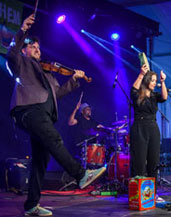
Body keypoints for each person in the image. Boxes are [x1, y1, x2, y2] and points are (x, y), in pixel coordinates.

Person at [7, 14, 106, 216]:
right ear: (25, 50)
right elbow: (11, 52)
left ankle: (31, 206)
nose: (36, 49)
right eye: (32, 47)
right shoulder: (21, 63)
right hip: (27, 110)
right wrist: (23, 30)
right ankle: (80, 175)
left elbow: (57, 94)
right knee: (54, 138)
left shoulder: (48, 74)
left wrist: (75, 79)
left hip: (42, 114)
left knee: (40, 161)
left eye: (38, 47)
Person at [130, 64, 168, 201]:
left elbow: (164, 97)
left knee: (153, 162)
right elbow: (133, 89)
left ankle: (153, 193)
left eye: (155, 80)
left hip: (153, 127)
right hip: (139, 127)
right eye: (152, 80)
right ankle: (139, 194)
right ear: (146, 81)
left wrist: (163, 82)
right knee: (139, 162)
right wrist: (141, 74)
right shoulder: (137, 94)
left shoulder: (154, 96)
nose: (154, 83)